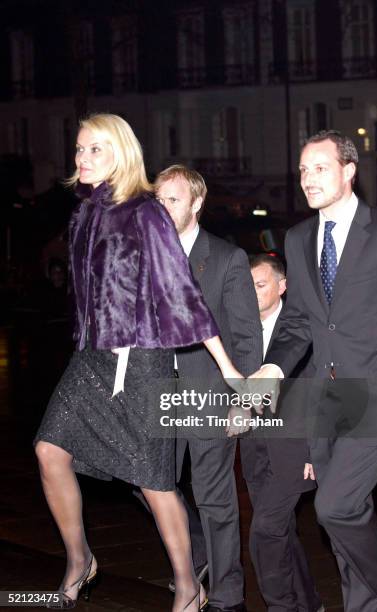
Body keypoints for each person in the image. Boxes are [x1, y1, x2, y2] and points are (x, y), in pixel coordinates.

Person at [34, 114, 243, 612]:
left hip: (142, 360)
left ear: (122, 153)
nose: (82, 158)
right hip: (91, 359)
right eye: (80, 149)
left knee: (154, 483)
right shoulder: (84, 211)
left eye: (95, 150)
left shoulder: (146, 212)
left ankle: (188, 586)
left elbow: (181, 294)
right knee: (48, 450)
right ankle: (79, 558)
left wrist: (229, 370)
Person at [250, 130, 377, 612]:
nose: (307, 179)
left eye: (319, 168)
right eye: (302, 170)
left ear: (349, 170)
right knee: (340, 526)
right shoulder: (297, 238)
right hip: (328, 401)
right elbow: (300, 320)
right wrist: (275, 365)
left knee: (335, 506)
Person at [155, 165, 262, 612]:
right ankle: (198, 552)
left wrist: (246, 403)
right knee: (146, 480)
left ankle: (226, 595)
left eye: (173, 200)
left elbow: (246, 338)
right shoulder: (148, 256)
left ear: (196, 203)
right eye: (158, 200)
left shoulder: (226, 258)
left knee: (215, 497)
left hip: (210, 394)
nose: (163, 208)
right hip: (156, 392)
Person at [240, 253, 323, 612]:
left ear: (282, 286)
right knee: (283, 531)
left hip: (293, 448)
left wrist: (312, 451)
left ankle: (281, 606)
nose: (252, 292)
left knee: (265, 531)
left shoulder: (302, 330)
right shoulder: (240, 329)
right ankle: (309, 604)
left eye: (260, 285)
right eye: (248, 286)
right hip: (253, 446)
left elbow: (320, 393)